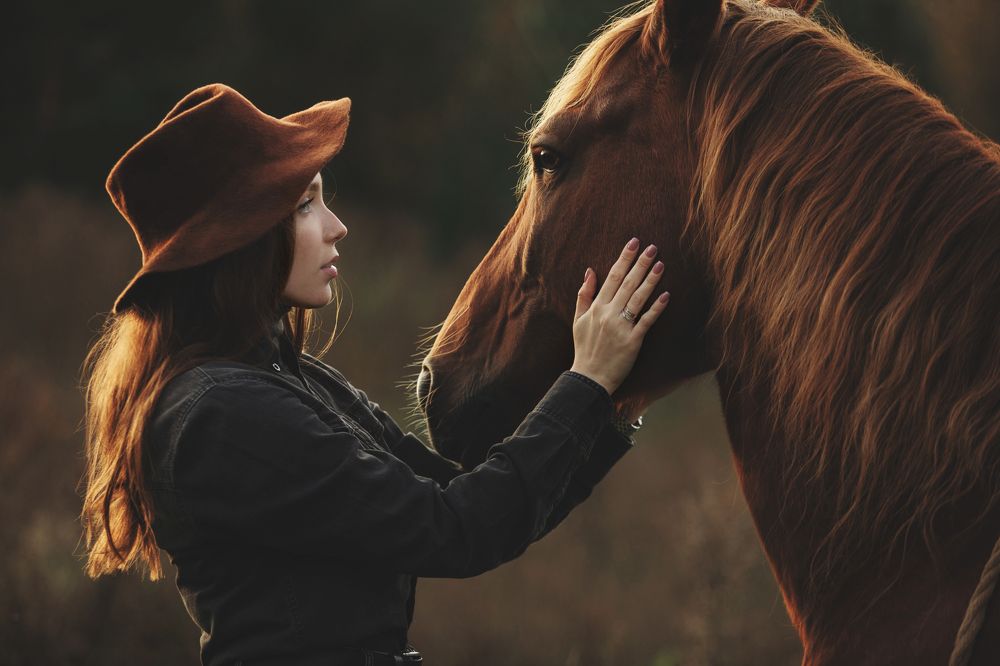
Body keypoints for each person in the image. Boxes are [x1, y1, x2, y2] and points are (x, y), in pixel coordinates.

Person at [79, 83, 670, 666]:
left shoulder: (293, 382)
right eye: (305, 204)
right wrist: (587, 382)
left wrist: (613, 399)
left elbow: (474, 499)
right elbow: (460, 526)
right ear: (241, 237)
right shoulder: (223, 414)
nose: (336, 226)